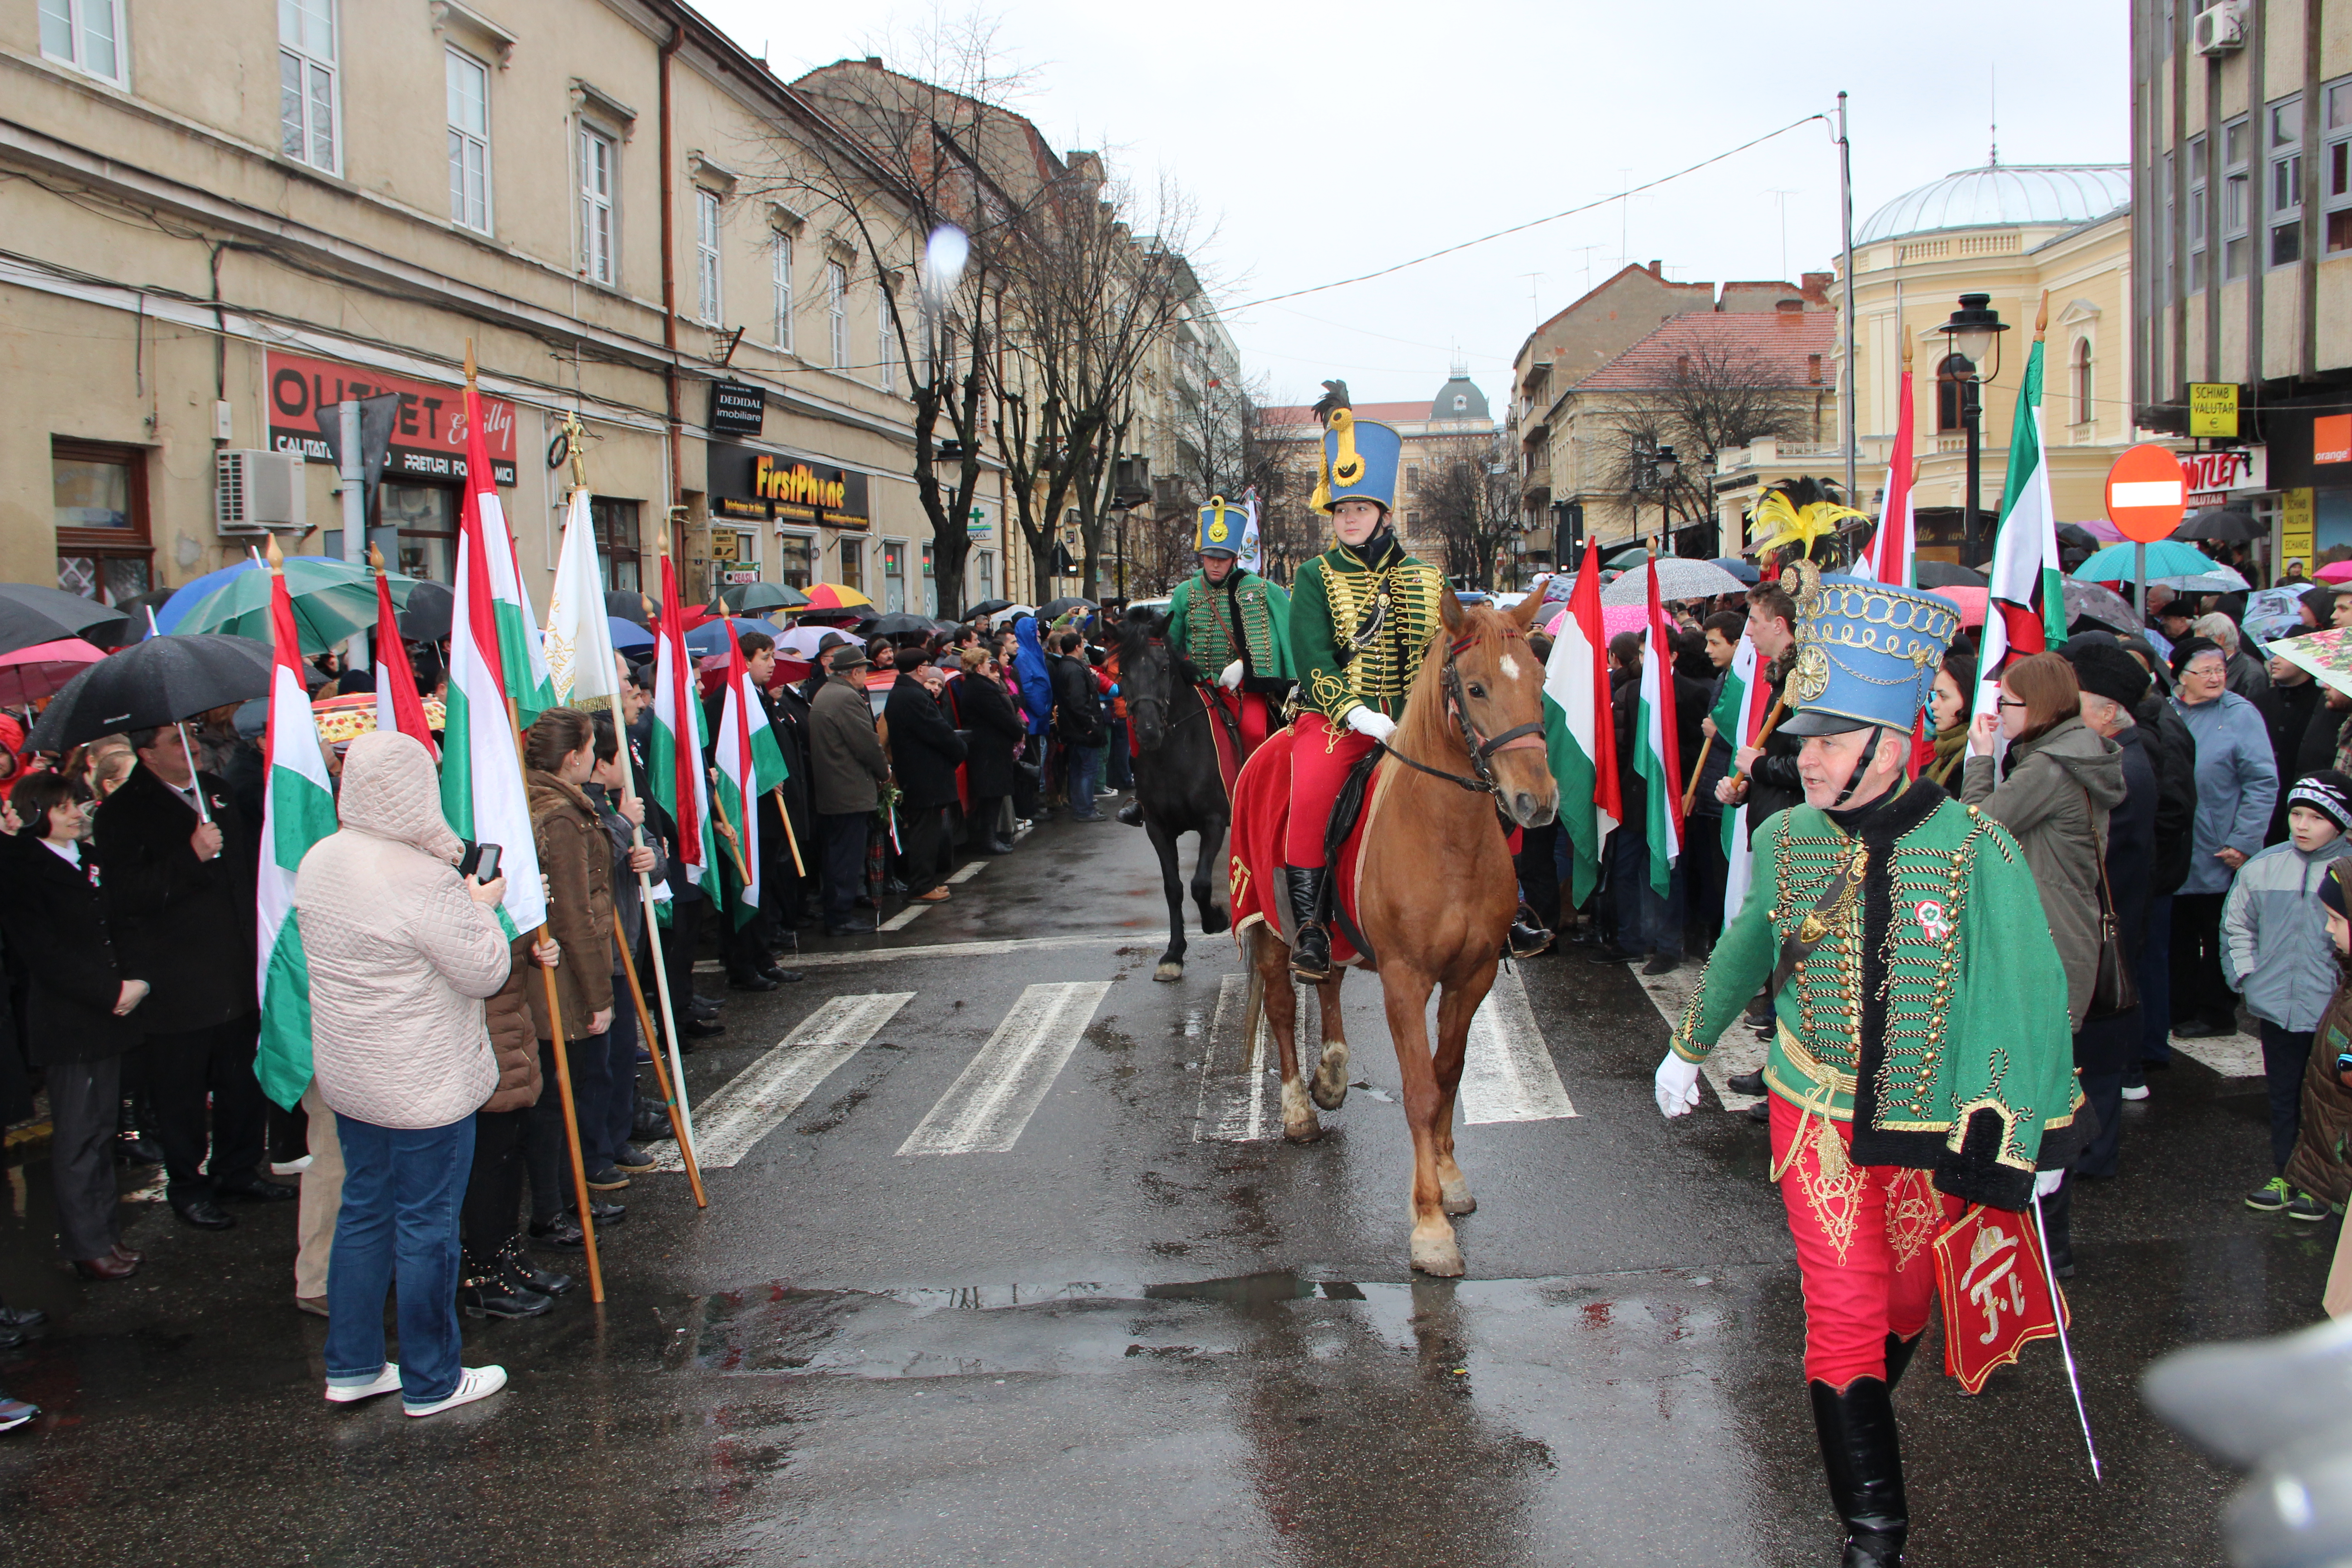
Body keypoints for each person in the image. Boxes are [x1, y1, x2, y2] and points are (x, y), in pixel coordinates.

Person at [1655, 569, 2085, 1568]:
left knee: (1903, 1305)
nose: (1803, 760)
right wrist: (1689, 1045)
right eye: (1802, 742)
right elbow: (1748, 947)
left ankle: (1848, 1417)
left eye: (1829, 743)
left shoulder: (1977, 846)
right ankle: (1874, 1535)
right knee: (1845, 1310)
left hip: (1932, 1131)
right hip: (1816, 1119)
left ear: (1891, 748)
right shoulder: (1786, 838)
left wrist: (2042, 1134)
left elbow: (2026, 993)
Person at [295, 730, 512, 1417]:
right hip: (425, 1080)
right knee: (427, 1225)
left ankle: (354, 1364)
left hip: (353, 1072)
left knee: (365, 1211)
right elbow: (484, 970)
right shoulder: (418, 879)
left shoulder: (322, 859)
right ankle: (432, 1378)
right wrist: (482, 907)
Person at [1283, 383, 1455, 982]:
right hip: (1339, 722)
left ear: (1383, 512)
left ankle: (1511, 908)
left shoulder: (1426, 577)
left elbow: (1443, 654)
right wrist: (1358, 714)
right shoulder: (1313, 575)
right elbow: (1311, 659)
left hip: (1418, 723)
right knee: (1310, 794)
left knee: (1489, 776)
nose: (1349, 520)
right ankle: (1310, 928)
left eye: (1359, 509)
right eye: (1340, 511)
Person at [1960, 651, 2124, 1274]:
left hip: (2049, 947)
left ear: (2041, 707)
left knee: (2040, 1090)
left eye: (2008, 704)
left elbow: (1978, 832)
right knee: (2048, 1083)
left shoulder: (2052, 767)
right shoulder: (2072, 753)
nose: (1999, 714)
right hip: (2065, 934)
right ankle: (2043, 1243)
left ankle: (2046, 1248)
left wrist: (1980, 760)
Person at [96, 720, 292, 1230]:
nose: (194, 749)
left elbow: (250, 869)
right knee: (181, 1092)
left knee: (241, 1080)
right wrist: (191, 855)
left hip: (235, 965)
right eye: (176, 743)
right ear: (147, 754)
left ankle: (238, 1167)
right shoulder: (122, 812)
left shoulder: (218, 792)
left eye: (194, 739)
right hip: (178, 978)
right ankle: (188, 1183)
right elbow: (127, 895)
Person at [0, 773, 148, 1280]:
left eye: (76, 804)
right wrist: (110, 992)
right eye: (63, 807)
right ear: (38, 812)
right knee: (79, 1136)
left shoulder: (88, 861)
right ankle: (86, 1243)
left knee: (100, 1131)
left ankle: (106, 1233)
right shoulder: (24, 868)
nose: (75, 814)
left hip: (105, 1017)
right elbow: (45, 954)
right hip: (71, 1021)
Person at [2224, 770, 2352, 1219]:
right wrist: (2247, 977)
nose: (2302, 825)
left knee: (2329, 1101)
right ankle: (2288, 1173)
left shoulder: (2347, 873)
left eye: (2316, 817)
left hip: (2334, 1014)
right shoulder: (2263, 867)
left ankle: (2324, 1184)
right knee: (2284, 1093)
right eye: (2296, 814)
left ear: (2341, 822)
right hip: (2277, 1006)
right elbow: (2237, 924)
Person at [2063, 640, 2160, 1179]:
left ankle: (2094, 1158)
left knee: (2097, 1054)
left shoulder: (2122, 768)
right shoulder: (2116, 755)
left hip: (2104, 932)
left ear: (2106, 710)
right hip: (2104, 925)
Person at [524, 709, 622, 1201]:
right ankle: (559, 1204)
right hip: (567, 979)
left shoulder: (557, 801)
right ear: (571, 758)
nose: (594, 755)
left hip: (567, 969)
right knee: (564, 1095)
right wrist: (599, 994)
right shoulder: (560, 814)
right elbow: (574, 913)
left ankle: (564, 1198)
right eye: (588, 747)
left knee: (565, 1093)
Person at [1148, 498, 1295, 819]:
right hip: (1197, 685)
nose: (1216, 565)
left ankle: (1260, 795)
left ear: (1234, 558)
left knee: (1256, 731)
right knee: (1153, 727)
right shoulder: (1185, 592)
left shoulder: (1257, 589)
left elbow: (1272, 635)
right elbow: (1171, 642)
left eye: (1223, 558)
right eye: (1210, 557)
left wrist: (1245, 665)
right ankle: (1148, 797)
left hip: (1239, 687)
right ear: (1202, 555)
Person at [2172, 636, 2280, 1039]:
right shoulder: (2169, 711)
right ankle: (2178, 1006)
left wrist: (2245, 841)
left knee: (2220, 930)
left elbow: (2262, 782)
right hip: (2178, 846)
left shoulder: (2240, 714)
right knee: (2177, 934)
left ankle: (2217, 1011)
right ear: (2180, 676)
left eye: (2221, 669)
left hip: (2221, 848)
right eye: (2206, 671)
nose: (2217, 677)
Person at [808, 642, 890, 936]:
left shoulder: (826, 694)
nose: (865, 676)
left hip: (834, 791)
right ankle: (840, 918)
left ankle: (837, 913)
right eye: (865, 670)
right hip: (848, 792)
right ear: (854, 671)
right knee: (846, 857)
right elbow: (867, 744)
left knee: (837, 855)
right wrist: (885, 773)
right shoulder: (846, 698)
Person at [885, 643, 967, 902]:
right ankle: (922, 886)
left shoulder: (901, 693)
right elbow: (939, 732)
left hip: (919, 773)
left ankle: (927, 881)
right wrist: (960, 749)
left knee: (927, 830)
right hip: (925, 775)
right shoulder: (913, 696)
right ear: (920, 669)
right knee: (926, 833)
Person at [957, 646, 1023, 854]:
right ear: (978, 668)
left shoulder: (978, 686)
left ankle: (991, 837)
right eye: (987, 664)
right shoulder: (980, 688)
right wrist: (1017, 730)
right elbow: (1000, 716)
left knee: (994, 795)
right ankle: (989, 839)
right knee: (991, 795)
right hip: (988, 749)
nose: (991, 667)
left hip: (991, 747)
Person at [1052, 629, 1108, 822]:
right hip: (1082, 730)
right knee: (1087, 769)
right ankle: (1084, 808)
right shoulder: (1074, 669)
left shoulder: (1065, 666)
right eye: (1082, 645)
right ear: (1077, 647)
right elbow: (1078, 701)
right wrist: (1089, 725)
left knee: (1078, 768)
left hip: (1072, 728)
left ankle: (1082, 805)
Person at [2198, 612, 2272, 701]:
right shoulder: (2202, 666)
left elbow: (2251, 711)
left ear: (2219, 639)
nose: (2197, 648)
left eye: (2200, 642)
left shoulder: (2252, 674)